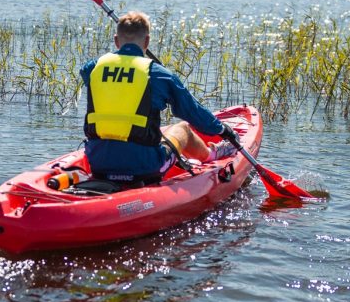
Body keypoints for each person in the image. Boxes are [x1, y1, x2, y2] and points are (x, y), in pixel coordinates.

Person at [80, 11, 237, 185]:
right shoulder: (160, 75)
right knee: (183, 128)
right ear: (147, 41)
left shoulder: (93, 69)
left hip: (98, 163)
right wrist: (223, 130)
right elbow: (193, 112)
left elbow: (86, 70)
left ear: (116, 41)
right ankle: (212, 154)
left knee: (157, 131)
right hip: (145, 167)